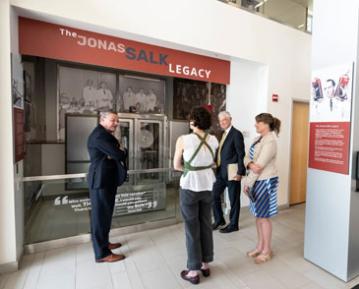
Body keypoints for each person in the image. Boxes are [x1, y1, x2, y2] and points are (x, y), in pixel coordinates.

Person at [173, 106, 218, 285]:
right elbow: (214, 163)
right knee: (206, 224)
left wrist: (190, 168)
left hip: (190, 187)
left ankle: (193, 270)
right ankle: (205, 264)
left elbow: (177, 165)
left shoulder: (184, 139)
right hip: (207, 186)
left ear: (193, 121)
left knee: (192, 228)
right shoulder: (214, 139)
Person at [87, 111, 128, 263]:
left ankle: (105, 243)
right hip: (100, 182)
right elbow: (119, 154)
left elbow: (115, 153)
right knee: (99, 218)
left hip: (106, 180)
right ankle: (102, 254)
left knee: (105, 215)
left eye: (117, 120)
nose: (116, 123)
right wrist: (119, 151)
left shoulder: (105, 134)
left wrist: (116, 151)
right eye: (113, 120)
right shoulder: (99, 136)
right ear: (102, 119)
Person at [242, 113, 280, 264]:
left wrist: (248, 183)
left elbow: (258, 167)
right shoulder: (258, 139)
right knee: (258, 216)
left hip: (265, 181)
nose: (255, 125)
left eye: (258, 123)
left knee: (264, 217)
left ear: (266, 124)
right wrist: (250, 164)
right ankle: (259, 246)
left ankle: (267, 251)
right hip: (256, 181)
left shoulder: (270, 141)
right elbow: (246, 158)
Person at [212, 111, 245, 233]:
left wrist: (240, 172)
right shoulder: (222, 134)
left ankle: (233, 225)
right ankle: (219, 220)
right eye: (220, 121)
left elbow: (241, 154)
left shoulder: (236, 134)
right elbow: (220, 151)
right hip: (221, 172)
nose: (222, 123)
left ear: (230, 119)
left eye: (224, 120)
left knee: (234, 200)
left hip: (233, 173)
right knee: (214, 195)